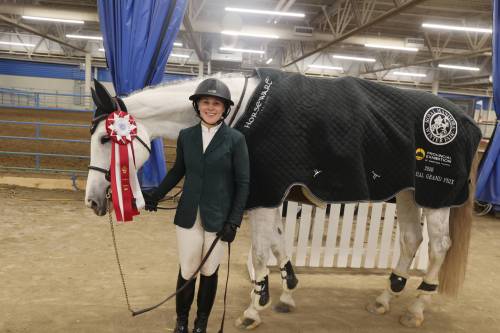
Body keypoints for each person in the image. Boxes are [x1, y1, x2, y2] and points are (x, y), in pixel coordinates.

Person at [142, 78, 250, 333]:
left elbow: (243, 183)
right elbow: (178, 170)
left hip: (219, 218)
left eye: (216, 103)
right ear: (197, 105)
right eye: (205, 102)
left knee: (209, 270)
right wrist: (156, 195)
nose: (210, 107)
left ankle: (201, 324)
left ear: (225, 108)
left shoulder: (236, 140)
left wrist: (234, 221)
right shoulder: (186, 136)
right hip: (188, 214)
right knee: (188, 267)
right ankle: (182, 322)